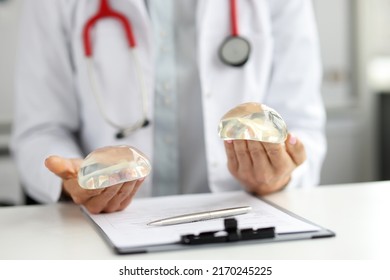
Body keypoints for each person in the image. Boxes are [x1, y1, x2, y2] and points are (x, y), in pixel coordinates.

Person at [10, 0, 326, 214]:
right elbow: (40, 130)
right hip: (103, 232)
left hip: (240, 220)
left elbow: (301, 123)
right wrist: (72, 181)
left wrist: (279, 174)